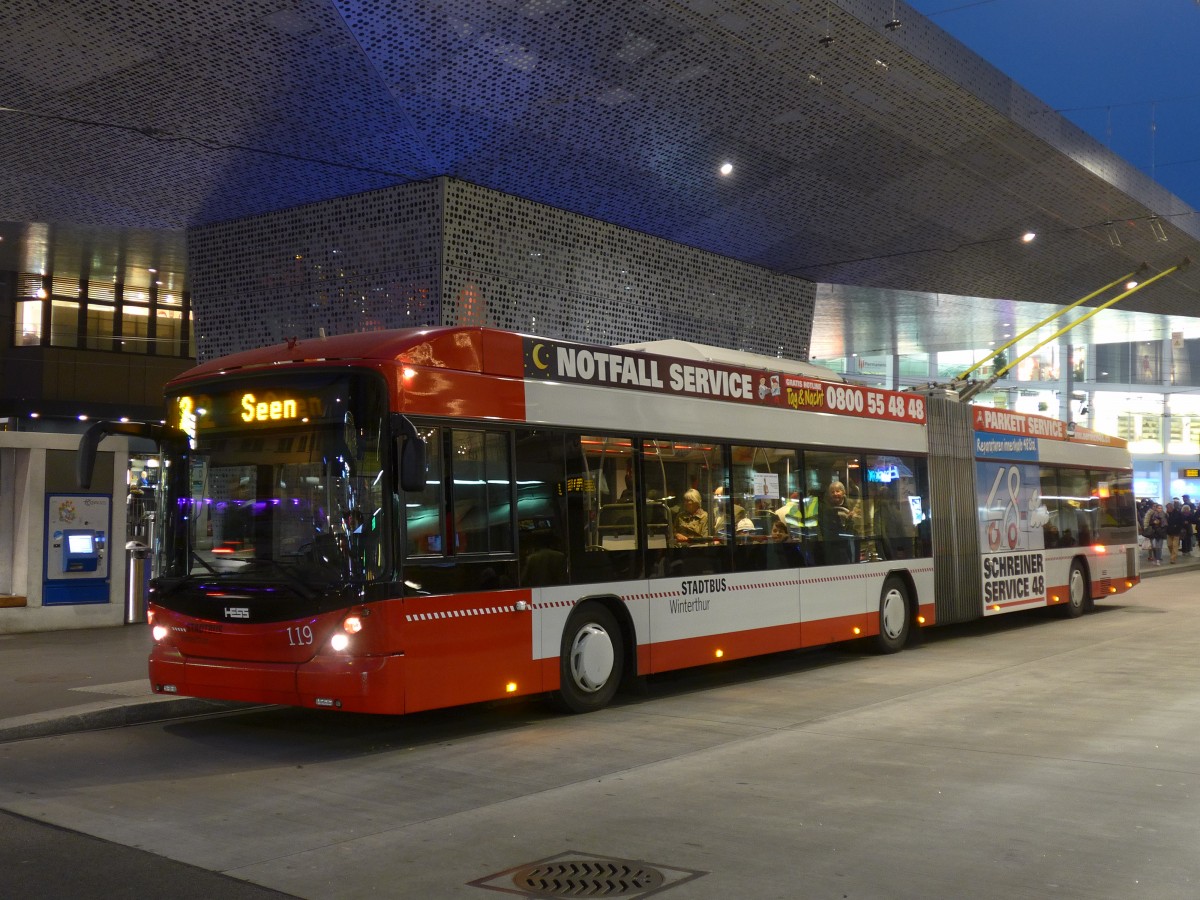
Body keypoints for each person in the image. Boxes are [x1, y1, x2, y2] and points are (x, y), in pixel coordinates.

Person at [819, 480, 860, 564]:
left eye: (838, 491)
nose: (835, 494)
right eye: (832, 492)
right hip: (832, 543)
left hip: (850, 541)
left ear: (843, 492)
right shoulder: (825, 507)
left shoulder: (852, 504)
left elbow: (859, 522)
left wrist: (853, 518)